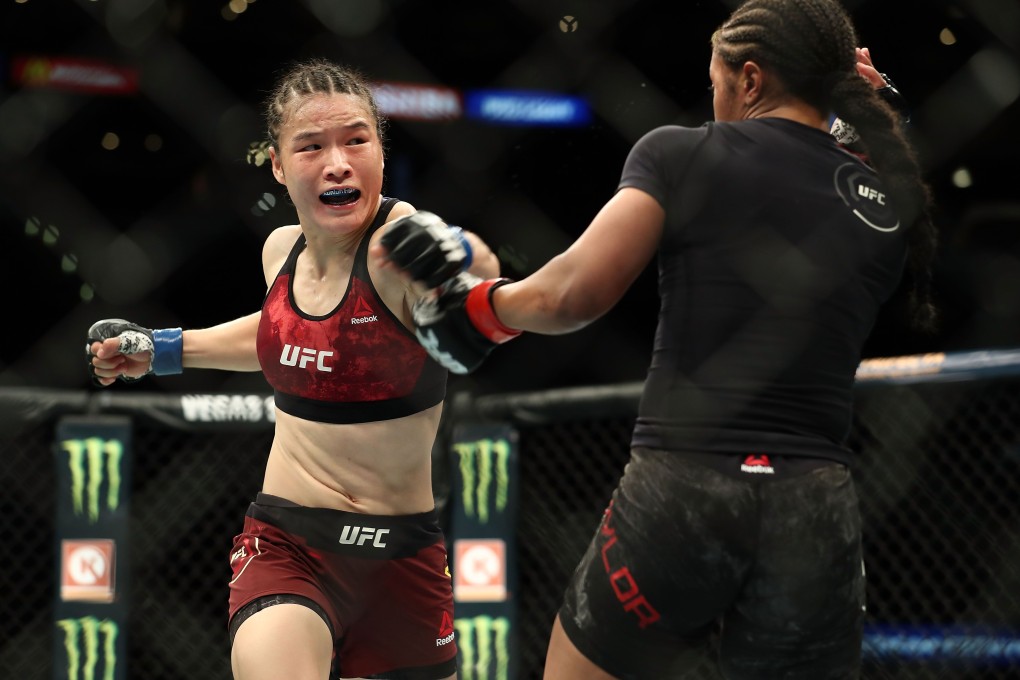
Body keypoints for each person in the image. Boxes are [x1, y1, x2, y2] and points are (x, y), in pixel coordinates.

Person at [375, 0, 938, 677]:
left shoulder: (684, 152)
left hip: (687, 485)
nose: (717, 100)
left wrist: (475, 310)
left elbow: (572, 294)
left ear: (751, 79)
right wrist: (866, 111)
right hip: (812, 505)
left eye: (719, 82)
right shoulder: (881, 203)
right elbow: (841, 172)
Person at [86, 57, 500, 680]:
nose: (337, 162)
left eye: (356, 140)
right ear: (278, 166)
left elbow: (479, 279)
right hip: (287, 541)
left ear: (380, 154)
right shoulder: (280, 250)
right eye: (311, 146)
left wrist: (461, 249)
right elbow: (279, 333)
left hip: (403, 556)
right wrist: (161, 349)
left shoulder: (400, 242)